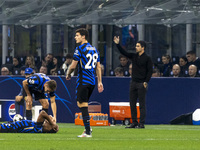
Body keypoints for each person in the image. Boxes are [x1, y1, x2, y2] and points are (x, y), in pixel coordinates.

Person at [66, 28, 104, 137]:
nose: (75, 37)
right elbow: (98, 67)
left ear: (83, 37)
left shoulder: (80, 49)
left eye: (77, 35)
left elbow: (73, 65)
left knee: (82, 105)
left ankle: (88, 131)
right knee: (81, 104)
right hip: (92, 81)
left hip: (83, 80)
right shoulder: (94, 49)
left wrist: (68, 74)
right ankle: (87, 129)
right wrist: (99, 82)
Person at [113, 36, 153, 129]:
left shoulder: (147, 58)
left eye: (138, 46)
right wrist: (117, 44)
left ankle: (141, 123)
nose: (136, 47)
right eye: (136, 46)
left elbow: (150, 71)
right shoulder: (134, 56)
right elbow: (124, 53)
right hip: (133, 82)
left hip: (141, 83)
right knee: (132, 103)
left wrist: (146, 82)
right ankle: (134, 122)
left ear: (143, 47)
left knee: (142, 105)